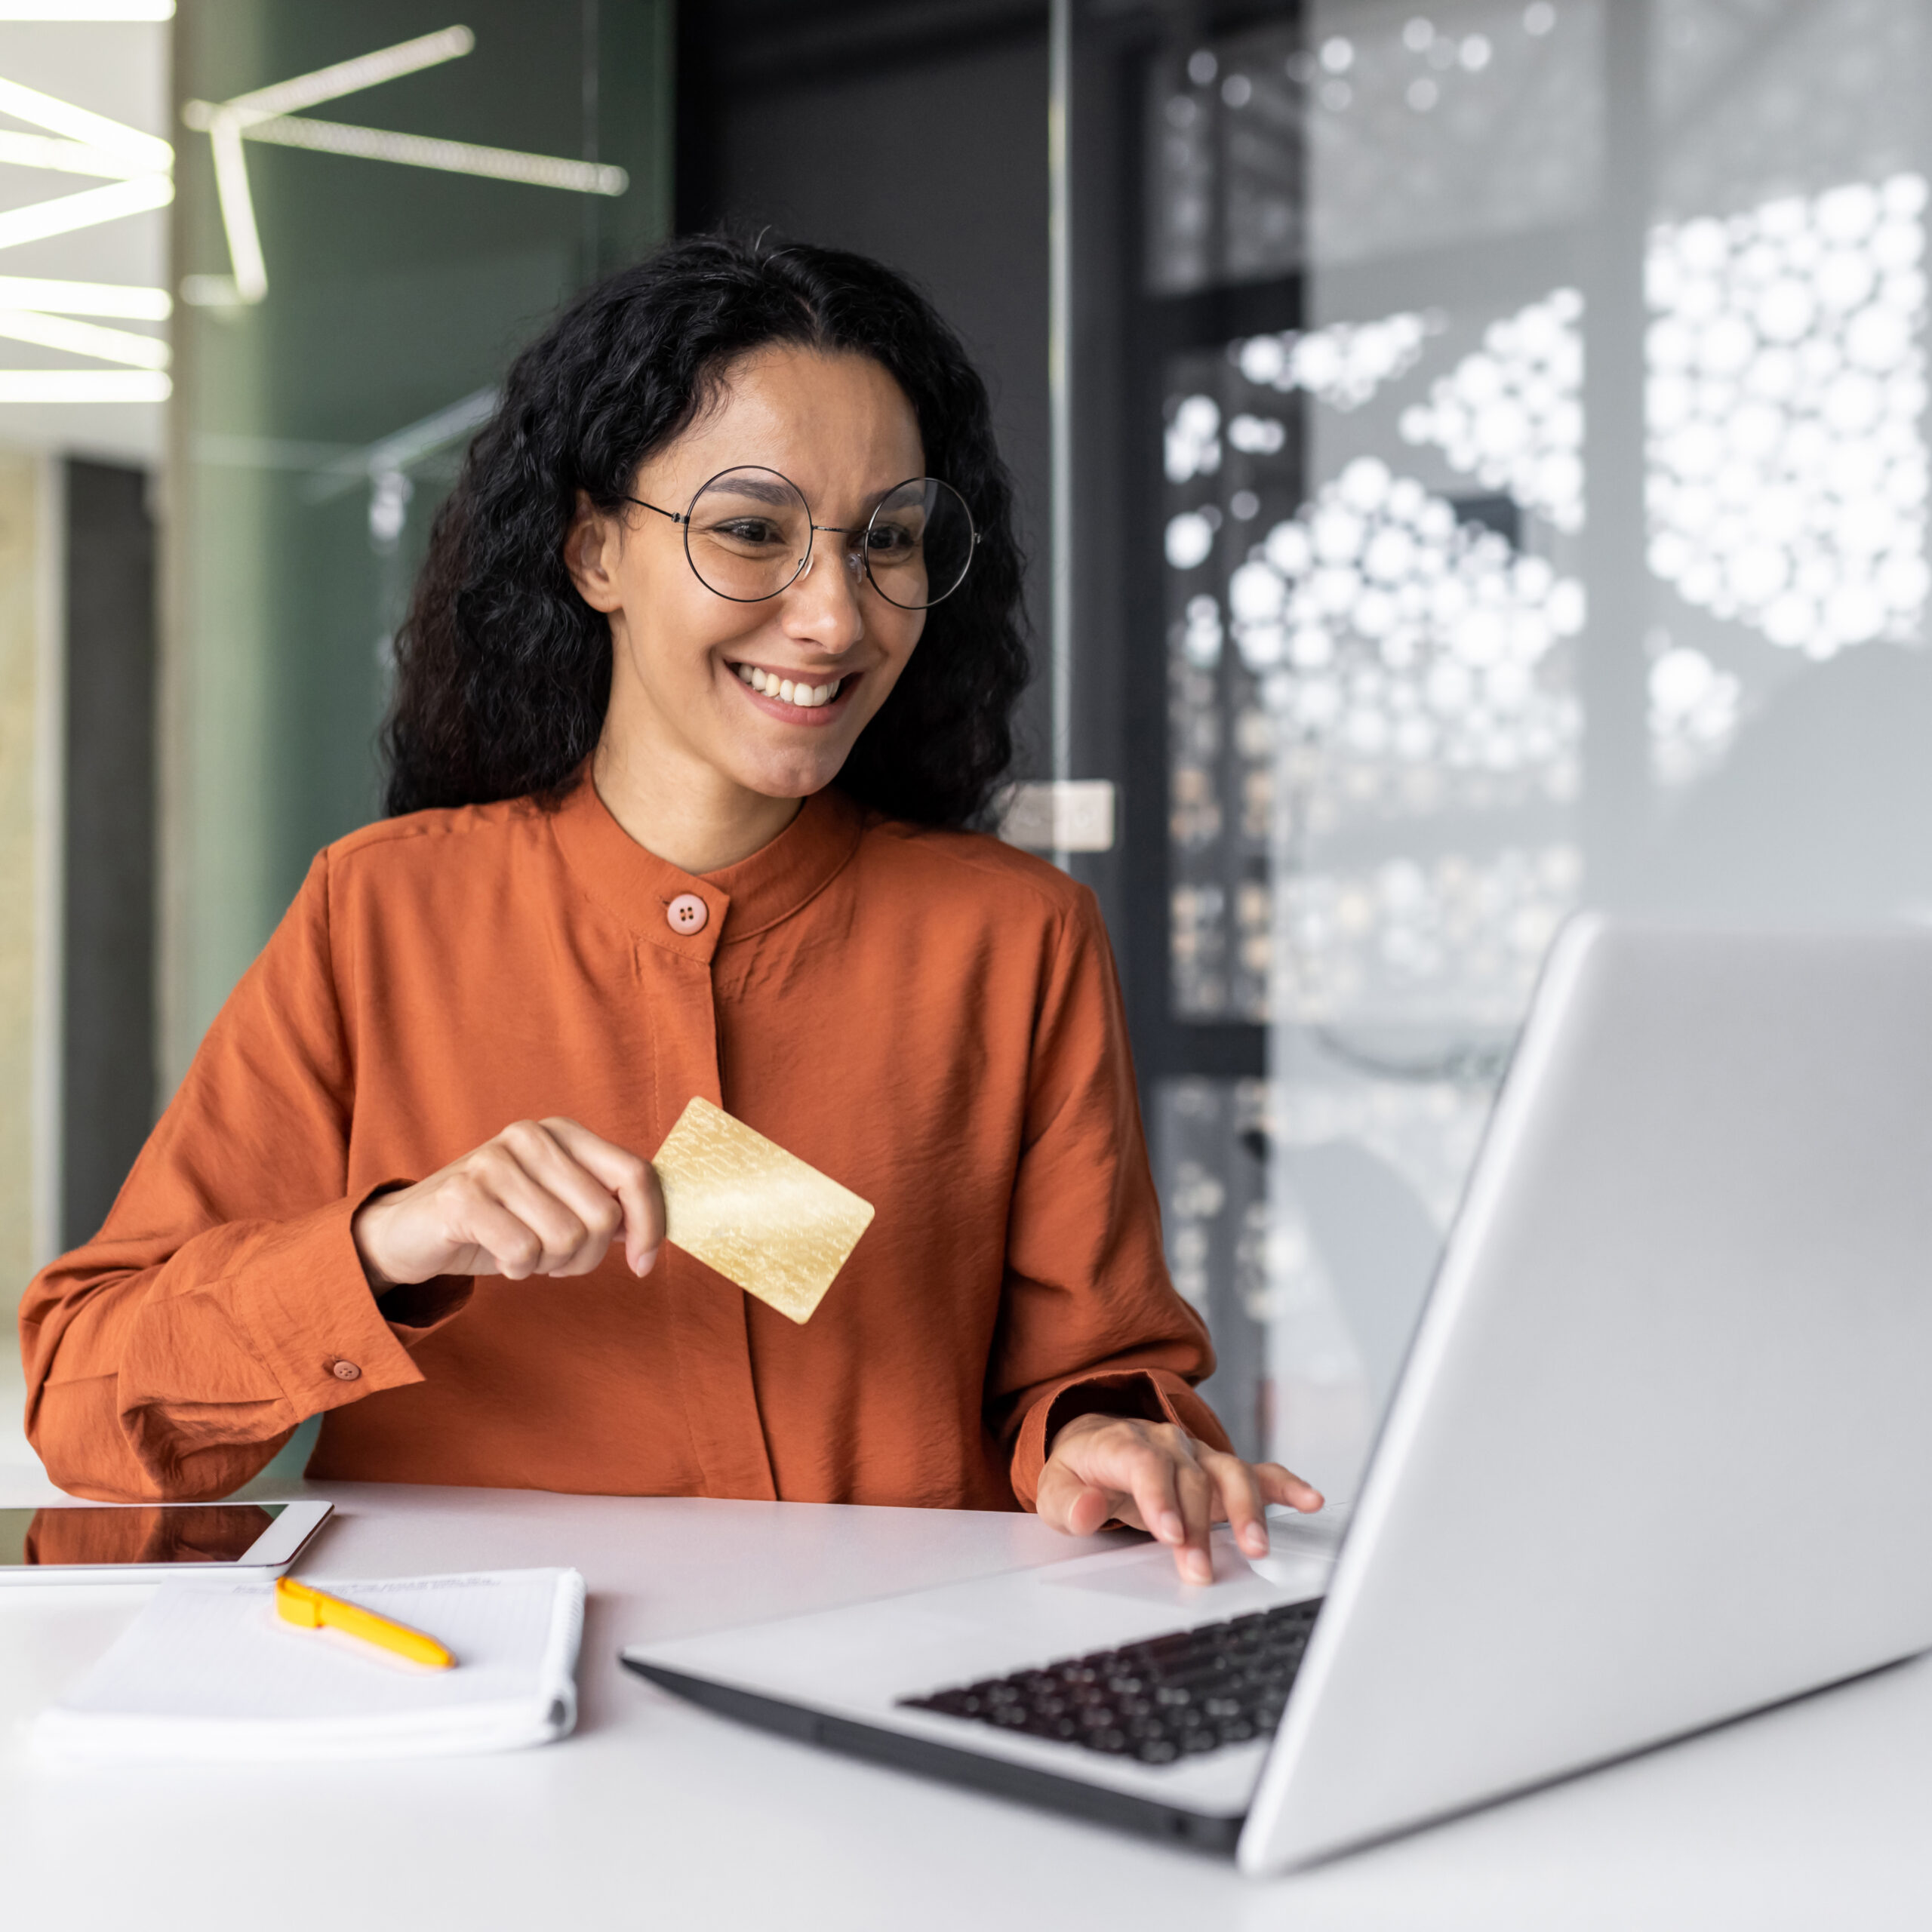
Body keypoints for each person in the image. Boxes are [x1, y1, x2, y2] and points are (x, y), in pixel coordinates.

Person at [20, 235, 1320, 1582]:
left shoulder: (1015, 940)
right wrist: (392, 1240)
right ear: (595, 550)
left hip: (875, 1702)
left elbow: (1092, 1371)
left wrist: (1104, 1438)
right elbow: (85, 1404)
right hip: (468, 1707)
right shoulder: (381, 915)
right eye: (752, 531)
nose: (834, 616)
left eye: (887, 541)